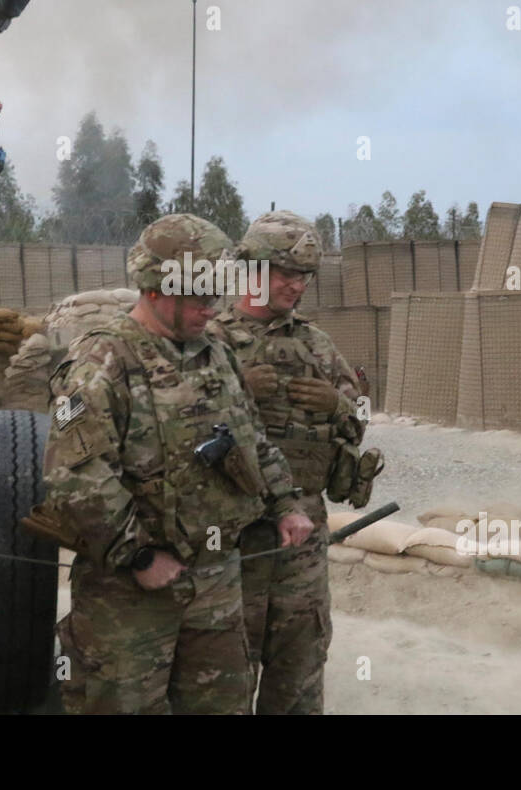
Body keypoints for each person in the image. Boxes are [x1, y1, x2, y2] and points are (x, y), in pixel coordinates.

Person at [41, 213, 314, 714]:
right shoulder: (101, 361)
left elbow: (254, 442)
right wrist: (138, 556)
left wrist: (287, 504)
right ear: (155, 289)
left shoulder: (218, 355)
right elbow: (75, 475)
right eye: (198, 297)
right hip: (130, 596)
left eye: (216, 295)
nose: (211, 309)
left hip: (215, 585)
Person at [207, 210, 377, 714]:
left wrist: (339, 405)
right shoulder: (211, 340)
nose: (296, 286)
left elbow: (361, 416)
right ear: (253, 271)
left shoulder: (315, 345)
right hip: (233, 537)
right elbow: (174, 427)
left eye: (303, 276)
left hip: (302, 538)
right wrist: (235, 391)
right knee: (224, 674)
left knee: (299, 669)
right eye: (285, 273)